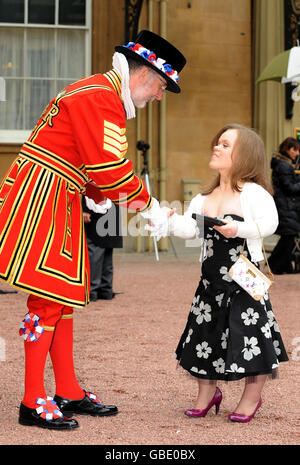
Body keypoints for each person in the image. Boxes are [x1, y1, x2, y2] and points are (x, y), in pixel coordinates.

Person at [0, 30, 186, 430]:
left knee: (62, 298)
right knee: (48, 301)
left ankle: (66, 389)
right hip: (44, 199)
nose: (158, 95)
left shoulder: (102, 91)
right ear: (143, 72)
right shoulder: (102, 96)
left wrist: (96, 191)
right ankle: (32, 400)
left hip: (55, 194)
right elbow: (111, 169)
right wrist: (152, 209)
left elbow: (82, 158)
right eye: (160, 85)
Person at [152, 123, 289, 423]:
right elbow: (191, 229)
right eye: (218, 142)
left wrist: (239, 228)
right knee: (205, 336)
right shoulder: (204, 197)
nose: (217, 146)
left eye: (225, 144)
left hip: (246, 277)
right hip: (210, 281)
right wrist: (170, 222)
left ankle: (251, 398)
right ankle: (207, 395)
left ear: (244, 155)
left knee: (253, 337)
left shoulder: (254, 193)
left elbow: (271, 223)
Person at [268, 137, 300, 274]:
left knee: (289, 236)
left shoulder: (282, 164)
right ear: (287, 149)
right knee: (288, 236)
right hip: (286, 206)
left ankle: (284, 266)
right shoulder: (284, 166)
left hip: (285, 206)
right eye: (295, 150)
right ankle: (274, 264)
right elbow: (290, 188)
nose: (297, 153)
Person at [82, 196, 123, 301]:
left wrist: (85, 209)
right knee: (105, 251)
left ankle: (93, 290)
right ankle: (105, 289)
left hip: (97, 207)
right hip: (110, 205)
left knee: (95, 251)